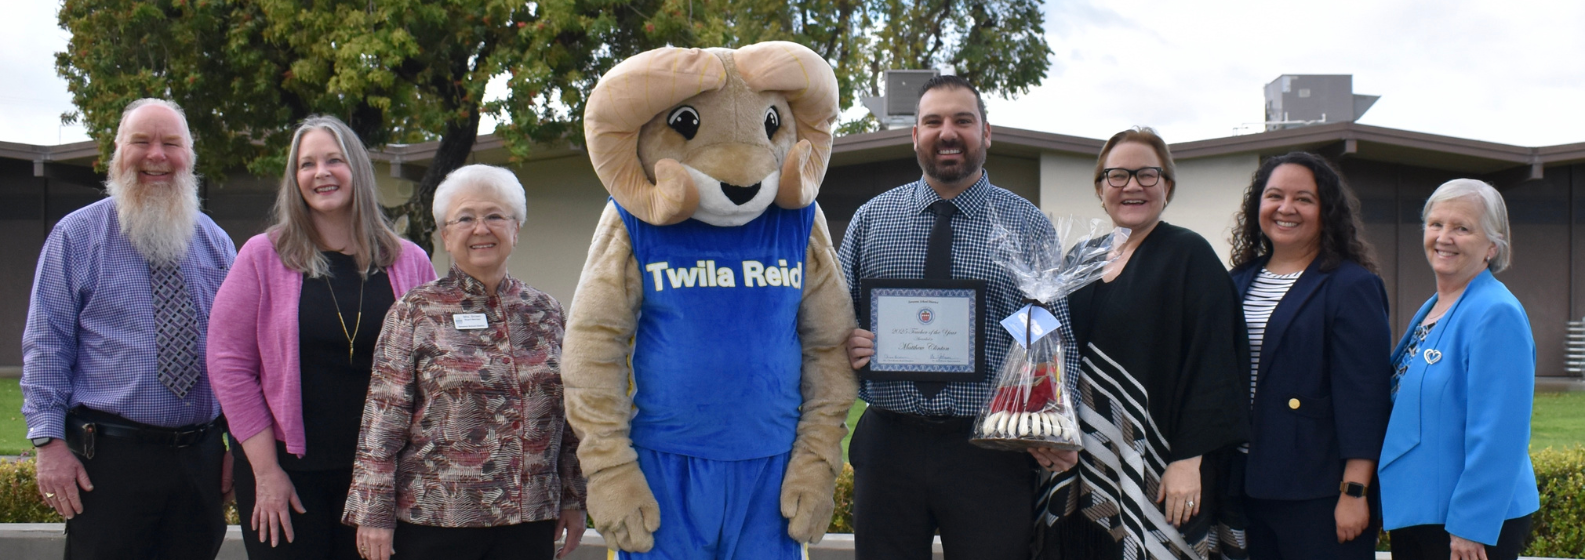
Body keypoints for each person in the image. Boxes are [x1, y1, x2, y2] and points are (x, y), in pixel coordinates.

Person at [840, 75, 1079, 560]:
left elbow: (1056, 337)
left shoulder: (1025, 224)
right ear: (915, 136)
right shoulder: (871, 220)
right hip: (890, 442)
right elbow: (832, 319)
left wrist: (1056, 426)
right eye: (933, 121)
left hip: (988, 452)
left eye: (962, 121)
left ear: (986, 133)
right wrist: (845, 343)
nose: (947, 133)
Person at [207, 116, 438, 559]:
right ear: (295, 180)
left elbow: (432, 368)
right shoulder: (262, 256)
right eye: (307, 164)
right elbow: (227, 362)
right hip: (287, 475)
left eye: (334, 160)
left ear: (358, 171)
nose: (321, 173)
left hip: (380, 479)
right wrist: (265, 472)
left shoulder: (409, 261)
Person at [21, 98, 237, 559]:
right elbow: (46, 347)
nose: (156, 155)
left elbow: (239, 357)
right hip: (107, 465)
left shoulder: (216, 243)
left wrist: (238, 447)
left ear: (189, 156)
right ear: (117, 153)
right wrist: (48, 444)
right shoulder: (75, 238)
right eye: (141, 142)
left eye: (171, 143)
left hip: (198, 462)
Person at [343, 164, 586, 560]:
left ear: (516, 228)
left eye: (494, 216)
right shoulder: (414, 311)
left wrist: (575, 497)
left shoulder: (546, 311)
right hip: (435, 521)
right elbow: (382, 422)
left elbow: (569, 415)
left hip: (529, 521)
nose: (481, 229)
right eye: (466, 218)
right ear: (446, 234)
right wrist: (373, 513)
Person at [1036, 127, 1248, 560]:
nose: (1132, 185)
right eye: (1117, 175)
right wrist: (1041, 429)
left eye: (1147, 175)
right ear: (1100, 189)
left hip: (1162, 467)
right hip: (1077, 464)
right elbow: (1048, 354)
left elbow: (1216, 363)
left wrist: (1189, 461)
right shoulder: (1082, 257)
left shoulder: (1190, 255)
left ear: (1166, 186)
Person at [1226, 152, 1392, 559]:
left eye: (1304, 198)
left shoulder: (1352, 286)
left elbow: (1366, 398)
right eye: (1275, 196)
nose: (1286, 208)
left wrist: (1355, 491)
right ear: (1257, 205)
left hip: (1318, 493)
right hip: (1243, 485)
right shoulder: (1236, 281)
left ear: (1326, 211)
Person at [1378, 178, 1539, 560]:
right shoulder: (1437, 306)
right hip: (1425, 515)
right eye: (1436, 224)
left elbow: (1499, 432)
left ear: (1492, 247)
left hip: (1464, 528)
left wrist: (1470, 525)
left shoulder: (1495, 312)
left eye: (1461, 228)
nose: (1443, 237)